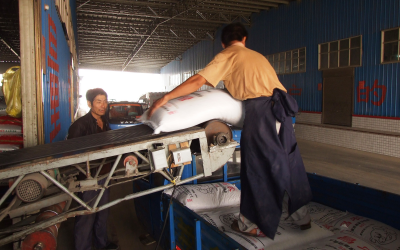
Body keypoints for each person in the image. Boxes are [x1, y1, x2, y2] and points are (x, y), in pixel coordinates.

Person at [148, 22, 313, 239]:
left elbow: (199, 80)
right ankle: (303, 217)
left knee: (257, 168)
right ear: (244, 40)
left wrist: (166, 97)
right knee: (289, 164)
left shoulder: (227, 55)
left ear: (223, 43)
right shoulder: (258, 57)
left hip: (261, 113)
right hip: (284, 112)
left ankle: (249, 224)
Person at [67, 88, 119, 250]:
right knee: (86, 214)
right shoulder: (80, 125)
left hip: (104, 174)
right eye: (98, 101)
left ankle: (101, 244)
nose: (103, 105)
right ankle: (82, 247)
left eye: (105, 101)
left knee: (102, 212)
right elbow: (72, 154)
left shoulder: (105, 122)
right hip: (87, 177)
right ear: (89, 103)